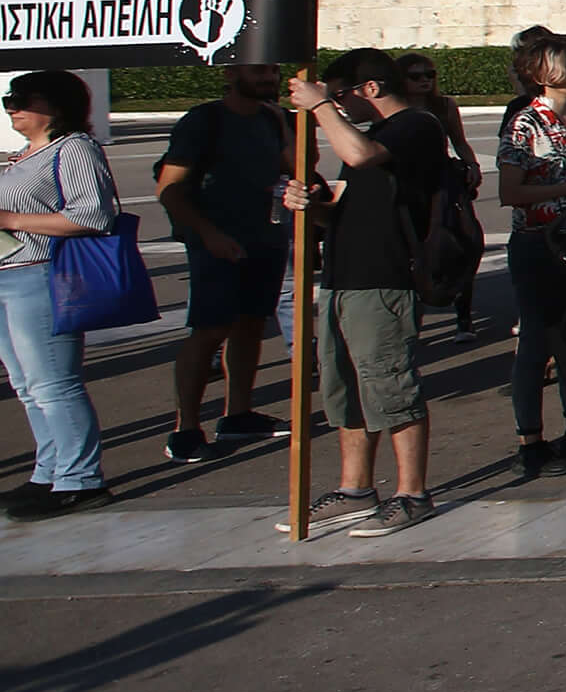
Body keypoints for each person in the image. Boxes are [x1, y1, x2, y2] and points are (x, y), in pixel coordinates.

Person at [286, 53, 449, 537]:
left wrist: (321, 108)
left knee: (390, 386)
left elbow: (360, 157)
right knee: (344, 388)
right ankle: (355, 488)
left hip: (385, 277)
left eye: (342, 94)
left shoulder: (414, 126)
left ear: (371, 89)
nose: (338, 105)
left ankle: (412, 493)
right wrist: (308, 206)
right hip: (342, 274)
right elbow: (344, 205)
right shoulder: (367, 134)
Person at [154, 62, 290, 465]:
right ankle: (186, 428)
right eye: (257, 71)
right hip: (216, 242)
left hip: (264, 238)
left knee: (250, 325)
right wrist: (208, 234)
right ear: (231, 74)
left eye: (272, 71)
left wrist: (284, 125)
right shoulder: (204, 120)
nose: (268, 78)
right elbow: (169, 188)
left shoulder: (272, 119)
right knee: (210, 330)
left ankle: (237, 414)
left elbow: (298, 167)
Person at [0, 72, 122, 519]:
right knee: (28, 385)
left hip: (43, 274)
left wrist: (11, 218)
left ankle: (81, 479)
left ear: (57, 105)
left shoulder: (72, 149)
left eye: (22, 100)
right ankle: (50, 470)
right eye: (8, 98)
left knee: (53, 382)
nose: (12, 106)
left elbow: (92, 214)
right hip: (9, 275)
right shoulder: (21, 156)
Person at [494, 37, 566, 474]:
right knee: (537, 338)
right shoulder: (524, 124)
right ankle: (529, 438)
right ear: (540, 73)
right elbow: (511, 192)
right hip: (540, 241)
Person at [397, 53, 487, 337]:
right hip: (409, 183)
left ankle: (463, 317)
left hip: (442, 181)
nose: (424, 80)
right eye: (416, 76)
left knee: (458, 242)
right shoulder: (396, 107)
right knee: (412, 249)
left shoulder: (444, 106)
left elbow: (459, 141)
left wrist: (471, 165)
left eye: (429, 75)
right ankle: (412, 319)